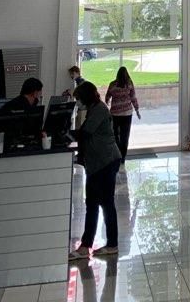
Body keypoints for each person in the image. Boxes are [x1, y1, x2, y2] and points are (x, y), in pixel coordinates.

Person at [69, 82, 122, 260]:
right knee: (92, 203)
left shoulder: (99, 110)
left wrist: (66, 133)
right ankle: (86, 245)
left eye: (78, 99)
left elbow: (85, 133)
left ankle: (112, 244)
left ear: (86, 97)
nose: (78, 102)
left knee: (106, 203)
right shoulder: (94, 109)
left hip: (106, 162)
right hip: (97, 165)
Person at [105, 66, 141, 161]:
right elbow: (133, 98)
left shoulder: (112, 84)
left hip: (115, 113)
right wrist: (137, 110)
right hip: (127, 114)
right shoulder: (129, 84)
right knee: (125, 136)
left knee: (116, 135)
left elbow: (107, 96)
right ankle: (123, 157)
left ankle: (117, 155)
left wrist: (107, 103)